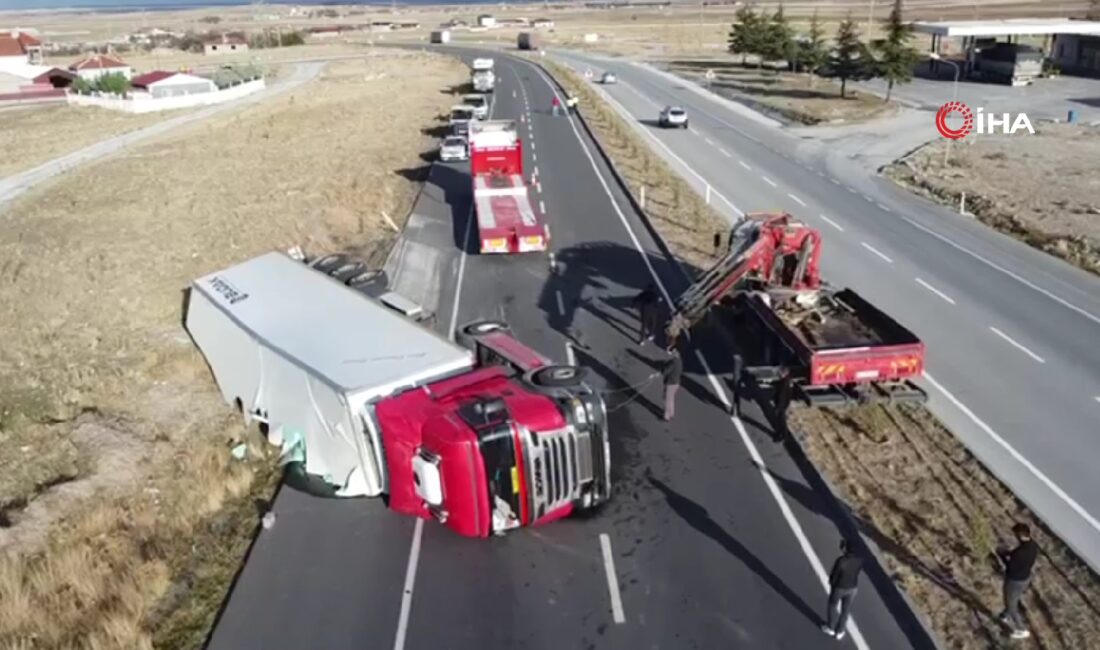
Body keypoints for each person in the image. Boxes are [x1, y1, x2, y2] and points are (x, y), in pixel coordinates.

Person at [998, 522, 1039, 640]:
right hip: (1026, 577)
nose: (1015, 537)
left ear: (1020, 535)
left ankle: (1022, 629)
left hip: (1014, 580)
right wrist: (1008, 553)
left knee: (1011, 604)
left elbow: (1010, 566)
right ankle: (1005, 615)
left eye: (1015, 534)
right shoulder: (1033, 545)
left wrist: (1001, 555)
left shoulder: (1020, 553)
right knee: (1014, 598)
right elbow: (1015, 556)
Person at [822, 539, 863, 641]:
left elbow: (834, 576)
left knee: (832, 605)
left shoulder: (841, 561)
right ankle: (840, 631)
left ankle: (830, 627)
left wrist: (832, 583)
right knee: (846, 610)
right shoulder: (859, 561)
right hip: (852, 588)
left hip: (839, 588)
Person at [661, 346, 682, 422]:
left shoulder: (673, 362)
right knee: (671, 399)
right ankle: (671, 413)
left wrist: (663, 369)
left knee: (667, 399)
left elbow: (666, 371)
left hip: (670, 383)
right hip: (676, 383)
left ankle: (666, 416)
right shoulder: (679, 361)